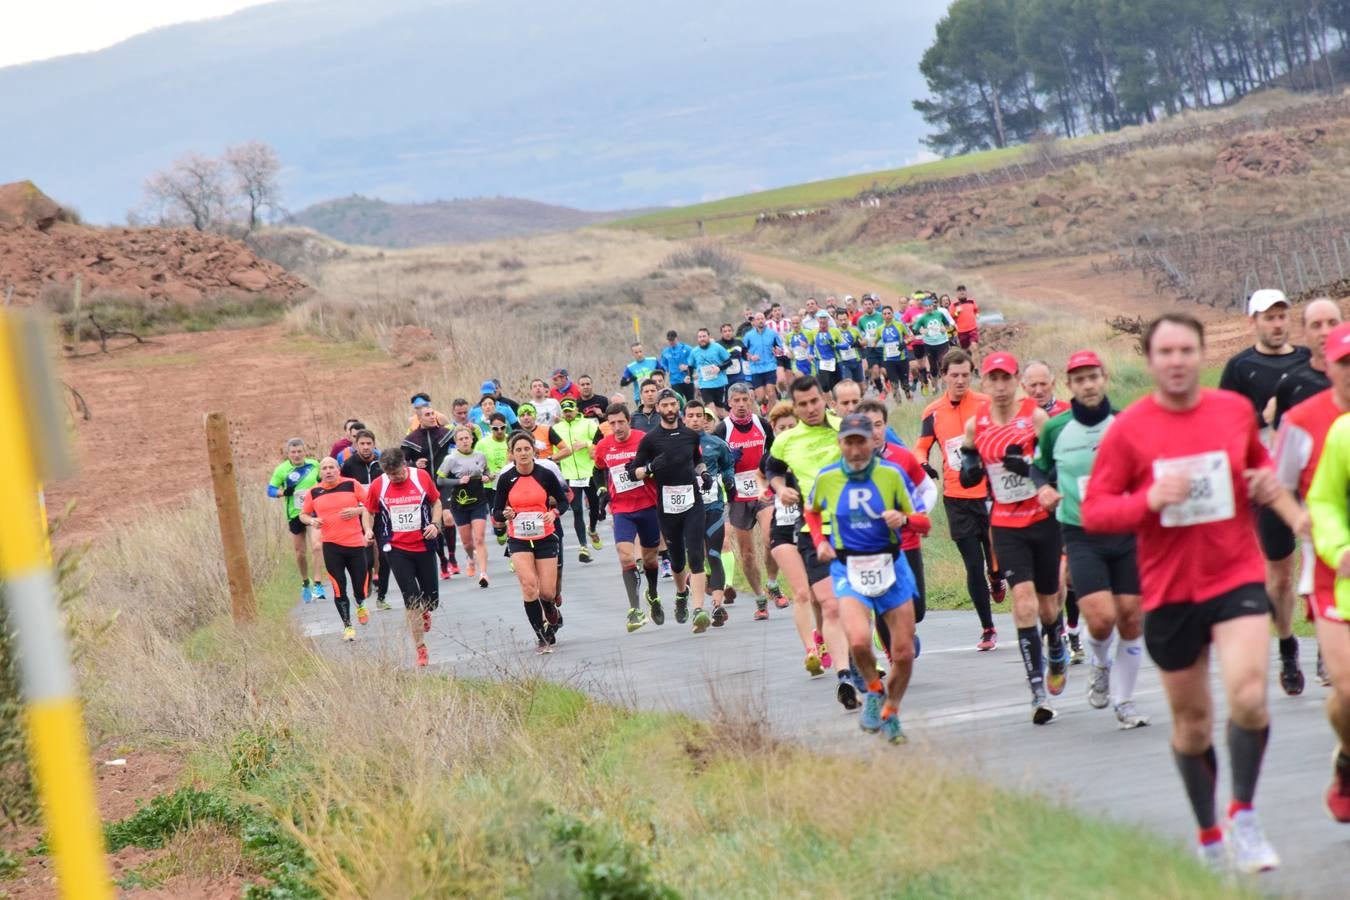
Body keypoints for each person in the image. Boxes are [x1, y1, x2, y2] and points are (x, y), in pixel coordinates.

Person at [1083, 312, 1305, 872]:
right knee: (1192, 724)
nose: (1177, 360)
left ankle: (1245, 818)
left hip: (1233, 575)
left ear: (1200, 356)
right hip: (1170, 589)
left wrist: (1282, 505)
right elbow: (1097, 513)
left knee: (1250, 696)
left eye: (1186, 350)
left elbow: (1261, 470)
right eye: (1166, 352)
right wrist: (1149, 500)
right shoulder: (1130, 429)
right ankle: (1209, 836)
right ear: (1150, 361)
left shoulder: (1232, 411)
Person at [1032, 351, 1149, 729]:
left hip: (1126, 531)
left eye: (1093, 377)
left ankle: (1125, 701)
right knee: (1100, 620)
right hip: (1080, 533)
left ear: (1105, 378)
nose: (1088, 384)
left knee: (1132, 618)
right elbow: (1038, 467)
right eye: (1079, 379)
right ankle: (1100, 663)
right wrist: (1043, 490)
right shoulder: (1055, 428)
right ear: (1070, 385)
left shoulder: (1126, 423)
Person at [806, 413, 926, 743]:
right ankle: (874, 691)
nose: (857, 449)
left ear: (873, 441)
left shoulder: (892, 474)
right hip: (848, 568)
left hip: (891, 565)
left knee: (903, 654)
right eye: (850, 442)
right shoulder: (828, 477)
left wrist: (904, 519)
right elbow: (812, 511)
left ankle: (892, 711)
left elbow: (923, 522)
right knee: (858, 640)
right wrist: (819, 541)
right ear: (840, 444)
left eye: (862, 441)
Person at [960, 352, 1065, 724]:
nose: (1000, 386)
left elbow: (1057, 465)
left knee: (1048, 604)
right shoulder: (977, 425)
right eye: (993, 379)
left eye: (1007, 379)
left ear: (1016, 380)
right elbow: (969, 464)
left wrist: (1034, 469)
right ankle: (1037, 690)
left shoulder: (1035, 417)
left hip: (1042, 518)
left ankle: (1056, 644)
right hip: (1005, 523)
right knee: (1023, 602)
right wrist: (971, 472)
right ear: (984, 383)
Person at [1219, 288, 1313, 697]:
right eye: (1268, 317)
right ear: (1252, 321)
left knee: (1326, 558)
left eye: (1281, 316)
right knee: (1279, 577)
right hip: (1268, 483)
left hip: (1312, 478)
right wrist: (1264, 418)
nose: (1276, 324)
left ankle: (1330, 642)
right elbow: (1225, 425)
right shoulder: (1240, 368)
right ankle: (1288, 643)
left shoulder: (1309, 361)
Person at [765, 377, 864, 707]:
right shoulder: (786, 441)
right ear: (795, 405)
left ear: (824, 399)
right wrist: (781, 489)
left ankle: (863, 655)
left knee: (859, 602)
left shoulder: (845, 426)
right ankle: (844, 675)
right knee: (832, 604)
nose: (809, 409)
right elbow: (773, 469)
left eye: (814, 402)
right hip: (813, 531)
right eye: (802, 404)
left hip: (855, 527)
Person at [915, 350, 1003, 649]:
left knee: (995, 558)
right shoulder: (933, 411)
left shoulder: (985, 404)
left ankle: (997, 575)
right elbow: (921, 447)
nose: (961, 380)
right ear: (944, 376)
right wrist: (923, 464)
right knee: (972, 564)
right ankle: (988, 628)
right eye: (955, 375)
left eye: (966, 374)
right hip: (956, 498)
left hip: (990, 494)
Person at [1300, 320, 1350, 824]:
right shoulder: (1328, 428)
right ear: (1328, 366)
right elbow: (1322, 501)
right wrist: (1337, 547)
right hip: (1338, 576)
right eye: (1345, 364)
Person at [627, 389, 717, 632]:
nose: (669, 410)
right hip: (667, 507)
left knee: (696, 555)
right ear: (657, 409)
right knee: (677, 560)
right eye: (664, 405)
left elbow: (697, 460)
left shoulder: (690, 435)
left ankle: (699, 610)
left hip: (693, 502)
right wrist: (648, 468)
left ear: (678, 407)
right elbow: (632, 472)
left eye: (672, 405)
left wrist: (704, 474)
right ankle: (681, 594)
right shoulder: (650, 439)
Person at [492, 433, 572, 653]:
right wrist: (505, 513)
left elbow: (564, 501)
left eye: (527, 448)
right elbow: (496, 511)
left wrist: (554, 512)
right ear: (512, 453)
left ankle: (552, 613)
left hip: (545, 537)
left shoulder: (545, 475)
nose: (523, 453)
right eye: (518, 450)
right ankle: (541, 637)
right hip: (518, 539)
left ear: (533, 451)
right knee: (529, 587)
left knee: (547, 593)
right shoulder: (506, 478)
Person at [363, 447, 443, 667]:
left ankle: (427, 609)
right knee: (411, 599)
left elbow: (436, 502)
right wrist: (368, 530)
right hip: (395, 548)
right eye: (390, 475)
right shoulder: (379, 485)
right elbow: (368, 511)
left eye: (398, 473)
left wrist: (435, 525)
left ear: (404, 465)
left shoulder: (421, 477)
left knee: (431, 599)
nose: (395, 478)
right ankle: (420, 648)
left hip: (424, 544)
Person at [595, 402, 666, 631]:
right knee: (625, 557)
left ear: (629, 421)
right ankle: (635, 610)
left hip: (648, 506)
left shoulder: (644, 439)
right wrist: (602, 489)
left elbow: (660, 464)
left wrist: (648, 471)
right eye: (612, 423)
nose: (617, 427)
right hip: (622, 509)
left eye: (621, 422)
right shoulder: (604, 445)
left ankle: (652, 594)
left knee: (650, 560)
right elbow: (598, 469)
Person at [716, 383, 784, 619]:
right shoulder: (721, 429)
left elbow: (775, 454)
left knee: (770, 538)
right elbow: (714, 461)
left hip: (762, 489)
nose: (742, 405)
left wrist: (770, 469)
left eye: (746, 399)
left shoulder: (762, 424)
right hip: (737, 495)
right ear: (729, 403)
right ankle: (760, 598)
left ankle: (773, 583)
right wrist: (728, 464)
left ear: (752, 401)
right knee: (746, 554)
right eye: (737, 400)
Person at [299, 457, 373, 642]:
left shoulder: (352, 484)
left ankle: (361, 603)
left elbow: (370, 505)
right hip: (331, 546)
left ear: (338, 469)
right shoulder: (314, 492)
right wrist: (312, 520)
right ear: (320, 472)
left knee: (360, 587)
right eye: (324, 468)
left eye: (331, 467)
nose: (328, 471)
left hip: (355, 544)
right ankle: (348, 626)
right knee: (339, 588)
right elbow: (303, 514)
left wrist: (356, 511)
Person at [689, 400, 737, 623]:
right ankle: (691, 594)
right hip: (686, 510)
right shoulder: (675, 444)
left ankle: (717, 605)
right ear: (684, 418)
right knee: (696, 557)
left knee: (714, 554)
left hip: (713, 506)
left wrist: (729, 481)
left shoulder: (716, 443)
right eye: (691, 416)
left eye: (701, 416)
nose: (697, 420)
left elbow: (728, 465)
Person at [404, 406, 458, 580]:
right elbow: (402, 463)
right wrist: (414, 464)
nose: (432, 417)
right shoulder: (411, 439)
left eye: (433, 413)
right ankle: (442, 560)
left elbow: (464, 444)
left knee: (448, 517)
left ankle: (452, 557)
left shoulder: (444, 433)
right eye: (427, 415)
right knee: (433, 525)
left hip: (443, 483)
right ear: (419, 419)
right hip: (424, 486)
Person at [268, 438, 325, 604]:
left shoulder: (314, 465)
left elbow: (324, 481)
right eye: (293, 452)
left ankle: (318, 583)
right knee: (300, 553)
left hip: (313, 511)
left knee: (317, 546)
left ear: (304, 451)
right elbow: (270, 490)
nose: (297, 455)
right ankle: (305, 581)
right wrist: (283, 493)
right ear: (288, 453)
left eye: (300, 451)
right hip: (294, 513)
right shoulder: (282, 470)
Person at [437, 425, 493, 588]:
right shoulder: (450, 459)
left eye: (467, 438)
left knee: (480, 538)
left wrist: (486, 477)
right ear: (456, 442)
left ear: (471, 439)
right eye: (461, 439)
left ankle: (483, 573)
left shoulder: (480, 456)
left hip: (478, 501)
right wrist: (458, 481)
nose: (464, 441)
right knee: (468, 543)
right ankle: (470, 557)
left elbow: (487, 473)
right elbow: (440, 480)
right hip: (459, 503)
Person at [341, 429, 389, 609]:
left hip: (383, 514)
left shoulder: (382, 463)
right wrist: (355, 509)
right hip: (361, 514)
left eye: (369, 443)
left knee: (385, 554)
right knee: (366, 557)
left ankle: (382, 596)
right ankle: (366, 580)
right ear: (356, 445)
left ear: (374, 444)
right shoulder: (348, 465)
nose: (366, 447)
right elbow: (345, 491)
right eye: (362, 444)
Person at [551, 398, 604, 562]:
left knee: (595, 507)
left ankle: (593, 529)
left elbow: (600, 441)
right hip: (570, 474)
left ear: (576, 410)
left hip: (589, 471)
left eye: (570, 410)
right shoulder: (556, 428)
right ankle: (583, 547)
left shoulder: (588, 424)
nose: (567, 414)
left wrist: (586, 443)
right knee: (577, 510)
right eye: (564, 411)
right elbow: (556, 451)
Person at [911, 299, 956, 394]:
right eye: (926, 306)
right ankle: (935, 387)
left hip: (942, 342)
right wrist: (921, 331)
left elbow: (948, 324)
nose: (929, 308)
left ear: (933, 306)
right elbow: (914, 330)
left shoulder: (939, 314)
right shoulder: (922, 318)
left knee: (943, 362)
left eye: (930, 305)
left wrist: (945, 328)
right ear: (924, 308)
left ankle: (945, 384)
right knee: (933, 367)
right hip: (929, 345)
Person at [743, 311, 785, 409]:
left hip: (770, 366)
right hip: (756, 369)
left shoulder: (772, 333)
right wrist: (751, 357)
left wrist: (778, 350)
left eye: (762, 318)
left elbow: (780, 348)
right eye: (758, 319)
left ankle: (771, 417)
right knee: (761, 398)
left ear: (765, 320)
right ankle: (769, 403)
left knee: (771, 394)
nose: (760, 321)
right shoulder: (748, 336)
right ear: (754, 322)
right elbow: (743, 352)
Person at [689, 327, 733, 414]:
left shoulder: (717, 347)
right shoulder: (694, 351)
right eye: (700, 337)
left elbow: (729, 361)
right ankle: (713, 426)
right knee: (711, 410)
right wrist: (688, 377)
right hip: (704, 385)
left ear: (708, 336)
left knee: (720, 413)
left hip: (719, 383)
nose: (702, 339)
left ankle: (722, 424)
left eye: (704, 336)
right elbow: (691, 366)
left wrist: (719, 368)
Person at [809, 311, 843, 393]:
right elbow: (811, 345)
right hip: (821, 362)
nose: (822, 320)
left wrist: (835, 345)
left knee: (836, 386)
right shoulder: (813, 332)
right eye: (821, 318)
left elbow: (845, 346)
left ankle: (836, 403)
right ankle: (827, 404)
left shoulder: (835, 331)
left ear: (828, 319)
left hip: (835, 361)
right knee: (824, 385)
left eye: (824, 318)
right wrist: (810, 354)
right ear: (817, 320)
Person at [660, 330, 696, 402]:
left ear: (677, 338)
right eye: (669, 340)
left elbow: (694, 361)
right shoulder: (665, 352)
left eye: (673, 340)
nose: (671, 342)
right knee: (678, 401)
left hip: (687, 380)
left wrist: (687, 366)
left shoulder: (687, 349)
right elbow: (663, 364)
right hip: (674, 381)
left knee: (691, 401)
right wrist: (667, 372)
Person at [716, 322, 750, 389]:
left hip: (738, 375)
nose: (727, 333)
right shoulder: (717, 345)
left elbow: (746, 356)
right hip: (724, 375)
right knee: (728, 397)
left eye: (729, 331)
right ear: (721, 333)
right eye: (725, 331)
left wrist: (750, 357)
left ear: (732, 331)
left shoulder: (739, 342)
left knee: (740, 392)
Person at [952, 285, 980, 362]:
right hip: (961, 331)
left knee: (975, 348)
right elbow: (952, 317)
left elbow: (976, 310)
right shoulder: (954, 305)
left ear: (966, 292)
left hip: (972, 329)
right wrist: (957, 313)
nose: (962, 292)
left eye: (963, 290)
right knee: (965, 351)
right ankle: (968, 366)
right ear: (957, 294)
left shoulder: (971, 302)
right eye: (959, 290)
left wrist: (977, 314)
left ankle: (976, 370)